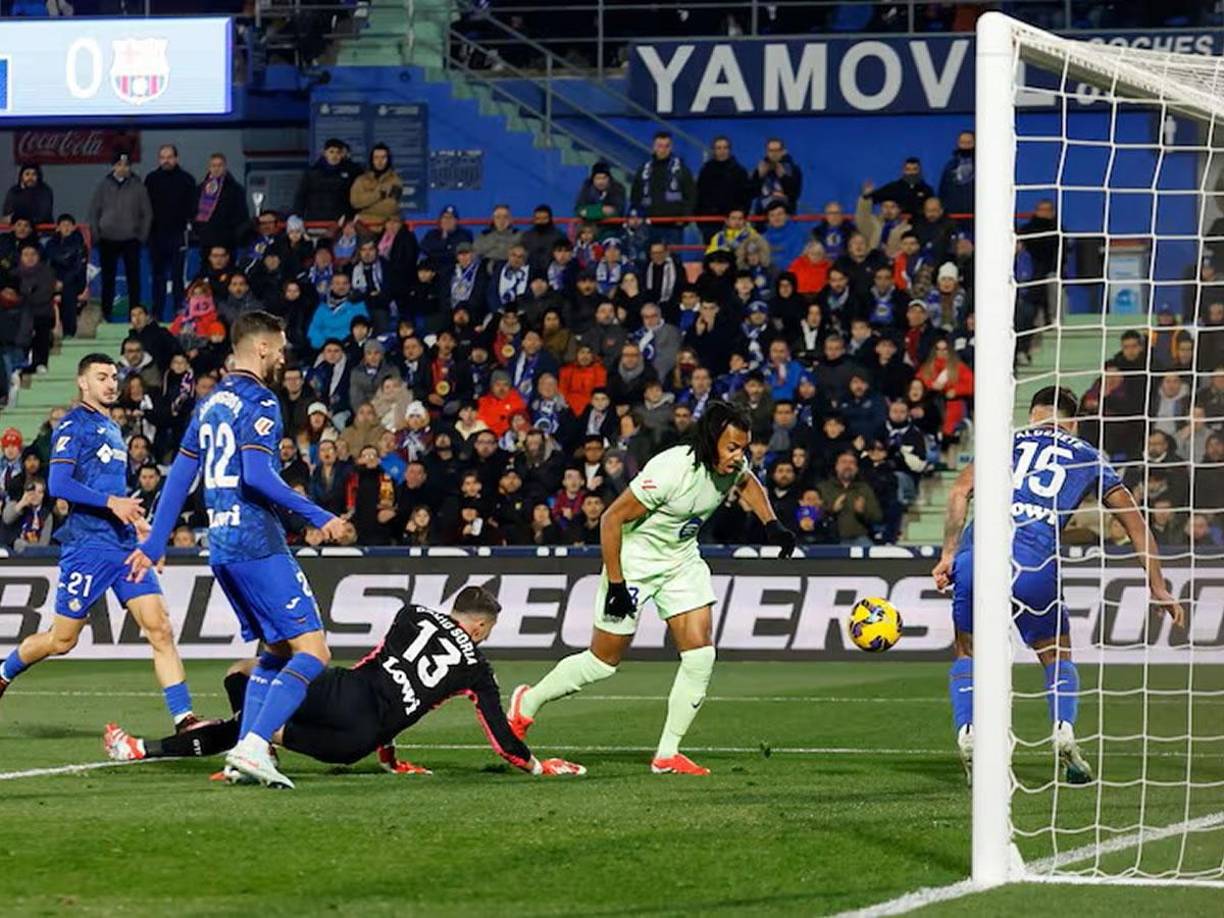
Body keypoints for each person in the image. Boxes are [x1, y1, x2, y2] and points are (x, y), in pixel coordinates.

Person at [508, 401, 797, 775]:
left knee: (700, 655)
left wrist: (771, 523)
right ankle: (527, 702)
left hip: (681, 562)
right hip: (634, 563)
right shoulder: (670, 469)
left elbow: (748, 482)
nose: (740, 456)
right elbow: (611, 519)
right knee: (602, 663)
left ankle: (667, 754)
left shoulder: (734, 465)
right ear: (711, 440)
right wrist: (616, 583)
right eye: (732, 447)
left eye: (744, 447)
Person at [128, 311, 353, 788]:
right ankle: (254, 745)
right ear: (263, 348)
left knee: (274, 650)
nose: (285, 354)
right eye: (282, 345)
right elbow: (256, 474)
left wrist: (153, 543)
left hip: (222, 547)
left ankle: (244, 753)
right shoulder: (263, 401)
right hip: (257, 541)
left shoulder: (208, 404)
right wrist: (320, 517)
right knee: (313, 651)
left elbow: (179, 478)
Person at [931, 387, 1186, 785]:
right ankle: (1064, 732)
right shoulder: (1088, 455)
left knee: (968, 650)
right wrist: (1157, 585)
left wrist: (948, 554)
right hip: (1035, 562)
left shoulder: (1005, 442)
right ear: (1074, 422)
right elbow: (1134, 523)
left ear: (1033, 415)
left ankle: (969, 733)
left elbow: (960, 491)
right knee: (1055, 653)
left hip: (978, 556)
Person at [104, 586, 586, 777]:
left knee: (245, 678)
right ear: (478, 628)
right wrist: (538, 766)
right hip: (353, 742)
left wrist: (392, 758)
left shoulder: (412, 614)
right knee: (257, 727)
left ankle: (143, 748)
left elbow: (382, 667)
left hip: (342, 693)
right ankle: (256, 745)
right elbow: (499, 738)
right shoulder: (477, 668)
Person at [0, 354, 201, 730]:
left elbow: (115, 492)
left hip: (124, 547)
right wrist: (113, 504)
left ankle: (184, 718)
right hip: (88, 547)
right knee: (62, 641)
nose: (111, 383)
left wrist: (139, 523)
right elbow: (59, 485)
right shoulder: (73, 425)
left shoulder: (111, 428)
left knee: (160, 627)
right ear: (83, 383)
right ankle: (4, 671)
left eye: (114, 376)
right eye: (101, 377)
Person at [88, 151, 152, 321]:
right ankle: (106, 313)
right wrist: (96, 235)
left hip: (131, 240)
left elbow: (147, 214)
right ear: (114, 166)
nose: (123, 168)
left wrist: (141, 237)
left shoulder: (138, 186)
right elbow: (94, 212)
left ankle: (136, 315)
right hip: (107, 239)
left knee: (134, 280)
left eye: (126, 165)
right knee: (107, 280)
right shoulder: (103, 186)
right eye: (119, 164)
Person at [144, 144, 198, 321]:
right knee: (158, 277)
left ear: (176, 158)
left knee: (177, 277)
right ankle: (156, 314)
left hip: (178, 235)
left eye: (169, 157)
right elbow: (144, 208)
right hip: (156, 235)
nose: (166, 160)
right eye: (162, 157)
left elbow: (193, 208)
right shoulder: (151, 179)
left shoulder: (187, 180)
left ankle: (178, 313)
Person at [629, 131, 696, 246]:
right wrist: (636, 216)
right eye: (660, 146)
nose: (663, 149)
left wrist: (685, 218)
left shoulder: (681, 170)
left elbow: (691, 195)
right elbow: (635, 196)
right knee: (647, 259)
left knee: (674, 260)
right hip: (648, 225)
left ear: (671, 147)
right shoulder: (644, 170)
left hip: (673, 226)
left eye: (667, 146)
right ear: (654, 147)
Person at [193, 153, 249, 257]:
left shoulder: (235, 189)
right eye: (213, 165)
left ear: (225, 167)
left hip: (227, 239)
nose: (216, 169)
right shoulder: (200, 189)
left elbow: (241, 214)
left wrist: (232, 233)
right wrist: (198, 229)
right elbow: (194, 211)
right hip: (206, 239)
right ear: (209, 167)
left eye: (219, 165)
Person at [294, 138, 360, 225]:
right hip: (315, 220)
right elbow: (301, 196)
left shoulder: (350, 173)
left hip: (339, 222)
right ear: (325, 153)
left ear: (342, 155)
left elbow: (353, 197)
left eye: (338, 152)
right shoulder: (311, 173)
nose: (334, 156)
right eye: (331, 152)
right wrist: (298, 216)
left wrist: (349, 216)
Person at [695, 136, 748, 243]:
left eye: (725, 148)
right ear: (714, 150)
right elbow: (698, 195)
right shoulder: (706, 170)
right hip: (709, 223)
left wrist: (740, 217)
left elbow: (746, 197)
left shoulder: (740, 172)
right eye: (718, 148)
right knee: (712, 255)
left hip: (734, 223)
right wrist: (700, 220)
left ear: (729, 150)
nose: (722, 151)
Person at [349, 143, 402, 234]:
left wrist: (365, 207)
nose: (380, 161)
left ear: (388, 160)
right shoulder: (361, 180)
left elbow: (390, 207)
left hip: (388, 227)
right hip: (363, 226)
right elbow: (355, 202)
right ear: (371, 160)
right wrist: (379, 194)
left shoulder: (395, 181)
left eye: (383, 157)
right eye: (376, 158)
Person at [748, 137, 803, 215]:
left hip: (785, 217)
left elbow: (794, 196)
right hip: (762, 217)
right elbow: (751, 194)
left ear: (783, 151)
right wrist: (759, 177)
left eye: (777, 150)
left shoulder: (793, 169)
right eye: (771, 150)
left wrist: (783, 177)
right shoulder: (760, 168)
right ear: (767, 152)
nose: (774, 154)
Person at [865, 157, 933, 219]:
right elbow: (872, 199)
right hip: (896, 226)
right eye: (908, 169)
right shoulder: (893, 187)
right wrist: (867, 194)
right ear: (903, 171)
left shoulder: (927, 190)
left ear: (919, 171)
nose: (911, 173)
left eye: (915, 169)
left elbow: (933, 208)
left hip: (920, 226)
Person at [938, 131, 976, 219]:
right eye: (962, 143)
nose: (965, 146)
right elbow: (943, 191)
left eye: (969, 143)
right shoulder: (950, 166)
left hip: (978, 216)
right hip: (953, 216)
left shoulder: (984, 167)